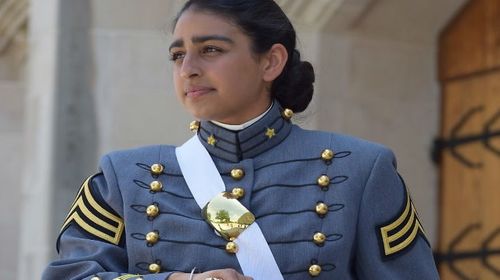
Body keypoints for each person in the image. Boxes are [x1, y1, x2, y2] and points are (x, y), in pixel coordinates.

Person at [42, 0, 440, 279]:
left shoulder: (362, 170)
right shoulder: (122, 177)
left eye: (210, 49)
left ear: (271, 61)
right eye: (178, 55)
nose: (189, 70)